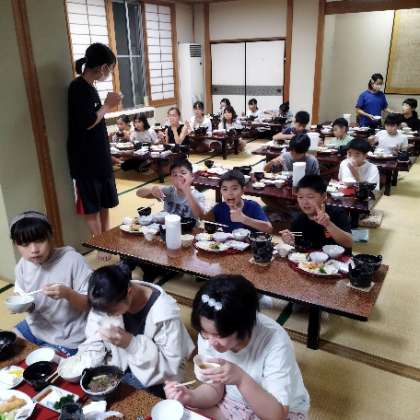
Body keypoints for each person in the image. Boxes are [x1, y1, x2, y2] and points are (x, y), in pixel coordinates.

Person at [165, 274, 310, 420]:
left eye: (218, 335)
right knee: (183, 413)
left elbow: (277, 415)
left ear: (243, 327)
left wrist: (240, 379)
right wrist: (190, 396)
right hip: (234, 403)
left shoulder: (275, 341)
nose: (210, 342)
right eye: (204, 332)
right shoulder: (209, 333)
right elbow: (214, 390)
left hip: (276, 409)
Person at [77, 263, 194, 394]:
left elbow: (171, 368)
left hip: (159, 380)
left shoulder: (164, 314)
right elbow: (94, 335)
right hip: (120, 371)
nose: (107, 316)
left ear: (129, 292)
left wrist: (131, 344)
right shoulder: (106, 299)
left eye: (111, 312)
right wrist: (95, 365)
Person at [9, 211, 91, 356]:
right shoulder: (23, 265)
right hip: (36, 327)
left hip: (69, 335)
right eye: (25, 244)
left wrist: (68, 293)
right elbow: (25, 297)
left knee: (46, 364)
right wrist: (22, 305)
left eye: (40, 240)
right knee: (6, 347)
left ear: (51, 236)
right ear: (16, 245)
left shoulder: (73, 260)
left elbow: (90, 305)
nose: (34, 250)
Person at [67, 43, 121, 261]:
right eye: (110, 69)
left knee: (105, 200)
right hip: (84, 159)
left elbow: (96, 123)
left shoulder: (91, 87)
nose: (110, 73)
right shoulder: (77, 87)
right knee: (91, 204)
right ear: (103, 67)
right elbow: (88, 122)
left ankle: (106, 240)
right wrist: (108, 105)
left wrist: (108, 154)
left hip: (100, 156)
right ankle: (100, 245)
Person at [280, 175, 353, 252]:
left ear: (324, 196)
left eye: (310, 197)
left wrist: (328, 224)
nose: (305, 202)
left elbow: (350, 243)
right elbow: (298, 246)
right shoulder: (298, 221)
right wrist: (290, 243)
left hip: (338, 259)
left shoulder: (337, 213)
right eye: (300, 197)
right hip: (310, 259)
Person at [136, 158, 206, 220]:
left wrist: (187, 191)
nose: (179, 176)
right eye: (175, 175)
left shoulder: (198, 196)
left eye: (183, 173)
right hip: (168, 227)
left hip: (189, 229)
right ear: (171, 178)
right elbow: (139, 193)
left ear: (191, 176)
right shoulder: (169, 191)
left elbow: (201, 215)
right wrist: (151, 190)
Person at [208, 170, 272, 233]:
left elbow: (269, 229)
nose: (229, 193)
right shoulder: (219, 208)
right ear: (221, 191)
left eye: (234, 189)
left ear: (243, 190)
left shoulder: (253, 206)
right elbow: (208, 224)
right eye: (225, 189)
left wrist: (243, 219)